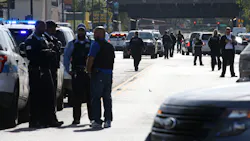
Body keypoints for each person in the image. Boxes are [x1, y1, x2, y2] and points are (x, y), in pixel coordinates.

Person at [25, 21, 63, 128]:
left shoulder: (44, 39)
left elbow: (51, 51)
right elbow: (31, 55)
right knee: (36, 96)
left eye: (44, 27)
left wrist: (49, 51)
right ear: (37, 27)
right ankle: (35, 120)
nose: (43, 29)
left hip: (46, 69)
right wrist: (46, 52)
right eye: (42, 27)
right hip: (36, 70)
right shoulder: (30, 40)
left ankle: (49, 119)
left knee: (49, 96)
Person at [86, 26, 115, 129]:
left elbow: (91, 58)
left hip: (98, 73)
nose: (94, 35)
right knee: (107, 97)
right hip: (108, 74)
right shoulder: (110, 46)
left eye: (95, 33)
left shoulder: (96, 44)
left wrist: (88, 70)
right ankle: (108, 120)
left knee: (96, 97)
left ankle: (97, 120)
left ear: (100, 34)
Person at [64, 23, 92, 125]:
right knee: (76, 98)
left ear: (85, 32)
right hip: (77, 73)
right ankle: (76, 119)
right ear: (77, 32)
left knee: (90, 97)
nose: (81, 32)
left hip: (88, 74)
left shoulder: (91, 43)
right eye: (79, 30)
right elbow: (66, 58)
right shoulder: (72, 44)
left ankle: (92, 118)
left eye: (82, 31)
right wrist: (68, 70)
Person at [44, 20, 64, 125]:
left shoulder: (54, 39)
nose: (54, 30)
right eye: (53, 28)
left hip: (53, 70)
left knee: (53, 95)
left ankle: (52, 118)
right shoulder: (45, 39)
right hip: (48, 70)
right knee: (49, 96)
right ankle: (48, 119)